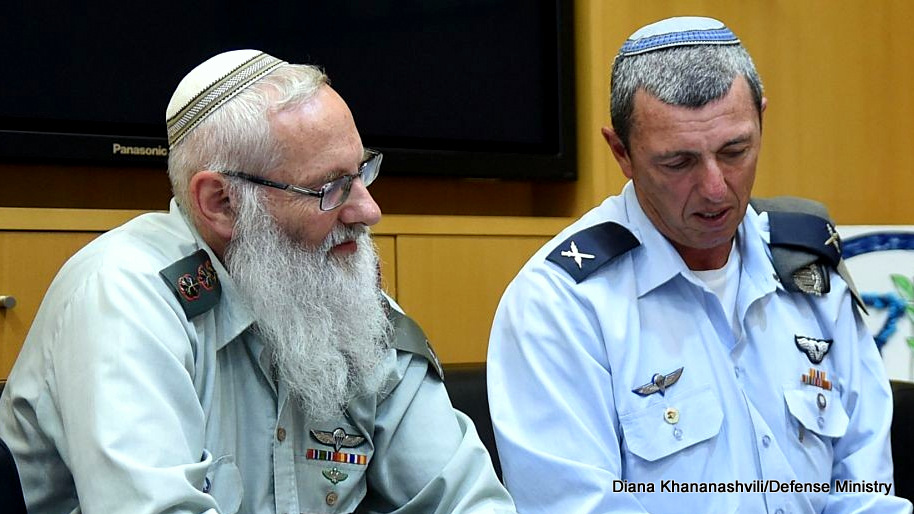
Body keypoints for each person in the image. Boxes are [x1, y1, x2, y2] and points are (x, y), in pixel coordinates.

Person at [0, 49, 515, 513]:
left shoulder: (344, 299)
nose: (368, 209)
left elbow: (469, 502)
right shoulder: (124, 296)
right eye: (331, 188)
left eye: (362, 173)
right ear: (220, 203)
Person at [487, 16, 911, 514]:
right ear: (621, 152)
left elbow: (865, 493)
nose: (715, 189)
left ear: (762, 124)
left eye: (735, 151)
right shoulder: (561, 304)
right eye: (679, 163)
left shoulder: (808, 267)